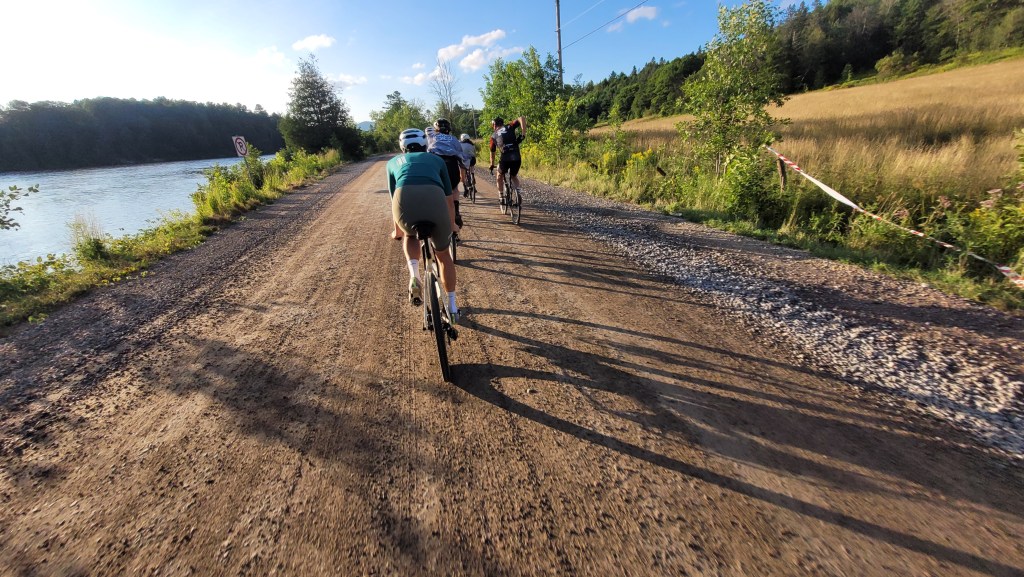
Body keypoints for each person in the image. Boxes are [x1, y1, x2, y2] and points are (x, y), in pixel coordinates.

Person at [387, 128, 460, 321]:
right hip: (435, 200)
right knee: (443, 256)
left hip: (404, 200)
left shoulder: (392, 163)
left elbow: (394, 199)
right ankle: (453, 308)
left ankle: (414, 275)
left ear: (402, 146)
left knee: (409, 234)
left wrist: (397, 231)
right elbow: (449, 200)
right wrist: (452, 225)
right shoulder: (437, 160)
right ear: (424, 143)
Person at [424, 118, 469, 225]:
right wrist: (463, 177)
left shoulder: (431, 137)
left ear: (436, 129)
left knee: (435, 188)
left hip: (436, 164)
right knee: (454, 188)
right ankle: (456, 210)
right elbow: (461, 157)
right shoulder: (454, 139)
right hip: (452, 164)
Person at [488, 116, 526, 205]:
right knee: (513, 176)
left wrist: (491, 164)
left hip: (505, 158)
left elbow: (492, 153)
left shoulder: (493, 136)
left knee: (499, 175)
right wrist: (523, 134)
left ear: (494, 125)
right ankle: (518, 193)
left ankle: (501, 197)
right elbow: (522, 118)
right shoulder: (509, 126)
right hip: (516, 157)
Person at [459, 133, 477, 199]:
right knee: (471, 165)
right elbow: (474, 153)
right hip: (472, 160)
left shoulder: (460, 144)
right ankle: (472, 176)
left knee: (462, 174)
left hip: (463, 161)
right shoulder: (472, 144)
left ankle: (465, 189)